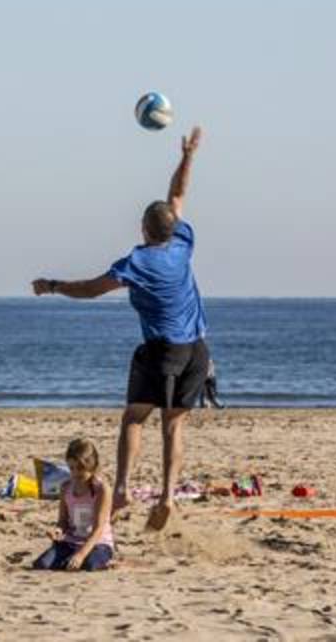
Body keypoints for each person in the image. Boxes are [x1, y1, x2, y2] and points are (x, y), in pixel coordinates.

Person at [32, 126, 207, 532]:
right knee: (174, 424)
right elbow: (177, 196)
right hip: (197, 349)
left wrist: (54, 286)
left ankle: (125, 489)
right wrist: (188, 156)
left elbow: (93, 288)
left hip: (162, 351)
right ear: (170, 227)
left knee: (133, 419)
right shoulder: (182, 243)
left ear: (144, 229)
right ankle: (166, 496)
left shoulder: (138, 262)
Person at [33, 438, 115, 572]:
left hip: (98, 543)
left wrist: (81, 555)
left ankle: (107, 561)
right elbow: (62, 521)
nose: (76, 473)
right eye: (72, 468)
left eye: (80, 468)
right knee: (41, 564)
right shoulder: (66, 488)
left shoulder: (102, 489)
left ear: (92, 466)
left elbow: (98, 529)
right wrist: (57, 531)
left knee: (89, 565)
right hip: (71, 542)